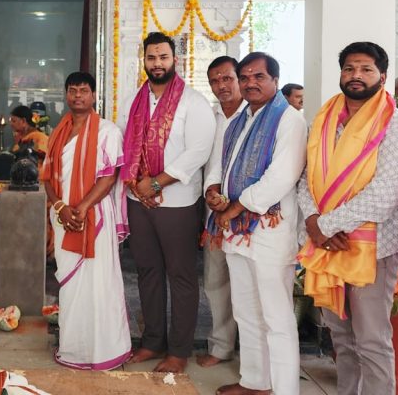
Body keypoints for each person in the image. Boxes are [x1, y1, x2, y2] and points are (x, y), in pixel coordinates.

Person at [297, 42, 398, 394]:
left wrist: (324, 226)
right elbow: (306, 178)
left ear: (383, 76)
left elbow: (384, 195)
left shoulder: (397, 125)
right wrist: (313, 220)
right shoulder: (324, 120)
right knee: (341, 338)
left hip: (374, 248)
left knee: (372, 341)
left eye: (366, 69)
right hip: (328, 245)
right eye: (349, 68)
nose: (356, 75)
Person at [203, 52, 307, 395]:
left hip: (269, 231)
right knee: (246, 311)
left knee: (276, 316)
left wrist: (234, 207)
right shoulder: (239, 120)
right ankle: (255, 382)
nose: (250, 83)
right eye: (244, 77)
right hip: (237, 231)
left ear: (275, 80)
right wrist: (213, 192)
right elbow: (220, 165)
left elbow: (282, 176)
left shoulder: (289, 120)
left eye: (258, 77)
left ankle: (284, 389)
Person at [120, 32, 215, 374]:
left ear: (175, 60)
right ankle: (153, 341)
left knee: (181, 275)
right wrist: (137, 185)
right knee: (147, 272)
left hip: (177, 203)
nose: (157, 63)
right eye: (151, 57)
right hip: (138, 200)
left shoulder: (193, 102)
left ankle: (178, 350)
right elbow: (124, 145)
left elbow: (198, 151)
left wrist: (157, 182)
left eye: (163, 57)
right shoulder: (133, 101)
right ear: (143, 60)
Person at [42, 71, 131, 370]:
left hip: (94, 216)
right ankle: (75, 348)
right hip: (63, 216)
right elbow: (47, 177)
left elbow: (109, 177)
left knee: (98, 282)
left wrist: (80, 208)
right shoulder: (58, 132)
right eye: (72, 90)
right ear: (66, 95)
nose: (77, 95)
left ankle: (104, 350)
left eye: (83, 90)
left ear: (94, 95)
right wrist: (60, 207)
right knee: (71, 286)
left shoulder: (108, 131)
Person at [197, 55, 245, 368]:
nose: (221, 86)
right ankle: (221, 346)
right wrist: (211, 195)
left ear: (240, 79)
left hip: (247, 217)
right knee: (215, 283)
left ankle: (253, 355)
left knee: (247, 287)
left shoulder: (255, 114)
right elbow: (207, 163)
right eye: (215, 81)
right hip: (214, 216)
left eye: (227, 78)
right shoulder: (209, 117)